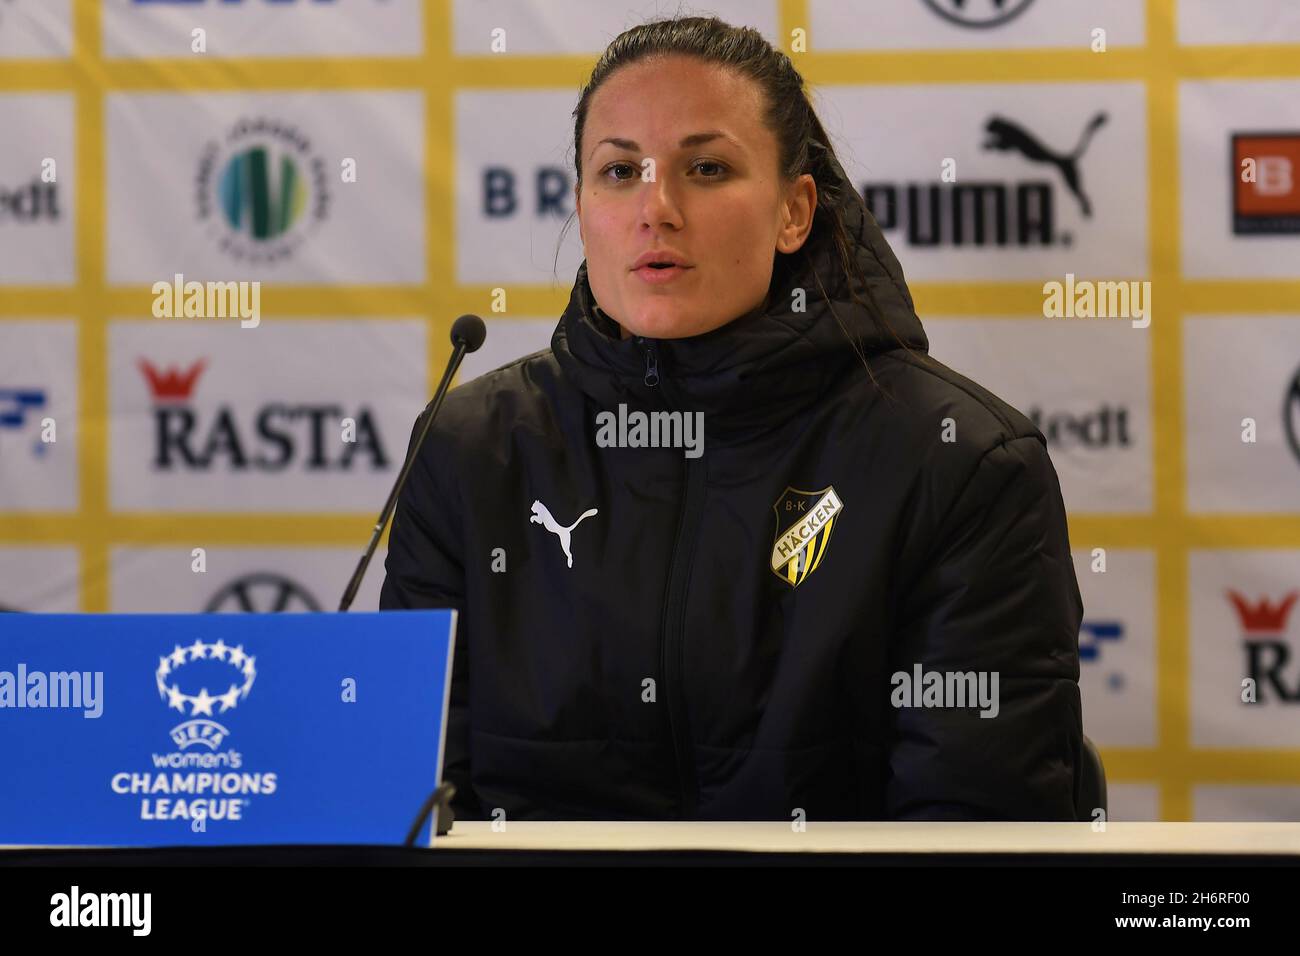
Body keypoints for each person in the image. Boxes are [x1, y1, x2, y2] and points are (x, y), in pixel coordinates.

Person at [380, 15, 1085, 822]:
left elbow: (971, 828)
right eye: (618, 172)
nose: (657, 208)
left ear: (795, 211)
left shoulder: (959, 463)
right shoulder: (471, 451)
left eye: (707, 168)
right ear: (580, 204)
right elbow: (418, 807)